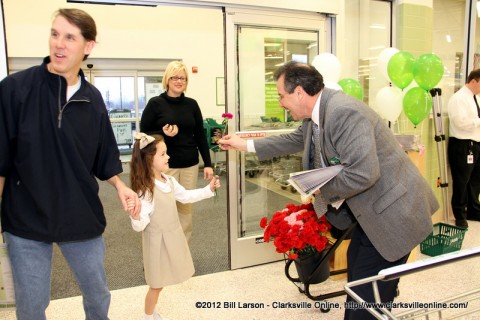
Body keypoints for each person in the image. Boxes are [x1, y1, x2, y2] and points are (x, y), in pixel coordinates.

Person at [218, 61, 439, 320]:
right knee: (359, 280)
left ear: (299, 92)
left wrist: (318, 190)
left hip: (394, 214)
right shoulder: (319, 113)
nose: (280, 103)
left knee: (364, 300)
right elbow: (294, 139)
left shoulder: (343, 112)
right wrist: (245, 145)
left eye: (281, 95)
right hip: (372, 214)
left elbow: (363, 173)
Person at [0, 8, 140, 320]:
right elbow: (1, 158)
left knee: (97, 293)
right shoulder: (15, 89)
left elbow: (103, 155)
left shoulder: (92, 99)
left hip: (79, 213)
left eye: (70, 37)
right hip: (26, 216)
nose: (59, 44)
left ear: (88, 46)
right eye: (55, 34)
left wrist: (120, 185)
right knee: (31, 305)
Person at [129, 132, 219, 320]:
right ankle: (148, 316)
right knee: (156, 285)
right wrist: (136, 215)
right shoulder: (146, 190)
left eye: (166, 153)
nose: (168, 157)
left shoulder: (168, 180)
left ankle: (152, 312)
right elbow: (140, 225)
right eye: (163, 154)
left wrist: (207, 190)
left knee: (160, 283)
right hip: (156, 243)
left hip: (170, 236)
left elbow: (185, 196)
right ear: (148, 159)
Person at [140, 60, 213, 242]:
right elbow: (144, 133)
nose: (179, 81)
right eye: (175, 77)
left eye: (183, 78)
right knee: (162, 211)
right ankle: (160, 255)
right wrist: (161, 133)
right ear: (167, 79)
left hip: (189, 163)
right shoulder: (156, 103)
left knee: (185, 212)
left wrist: (208, 163)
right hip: (164, 165)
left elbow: (200, 135)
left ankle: (182, 257)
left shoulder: (192, 104)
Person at [447, 69, 480, 229]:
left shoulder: (475, 98)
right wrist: (478, 121)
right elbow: (460, 122)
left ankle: (473, 211)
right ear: (474, 80)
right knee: (461, 181)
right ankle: (459, 215)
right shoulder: (459, 98)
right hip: (462, 145)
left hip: (475, 144)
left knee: (474, 181)